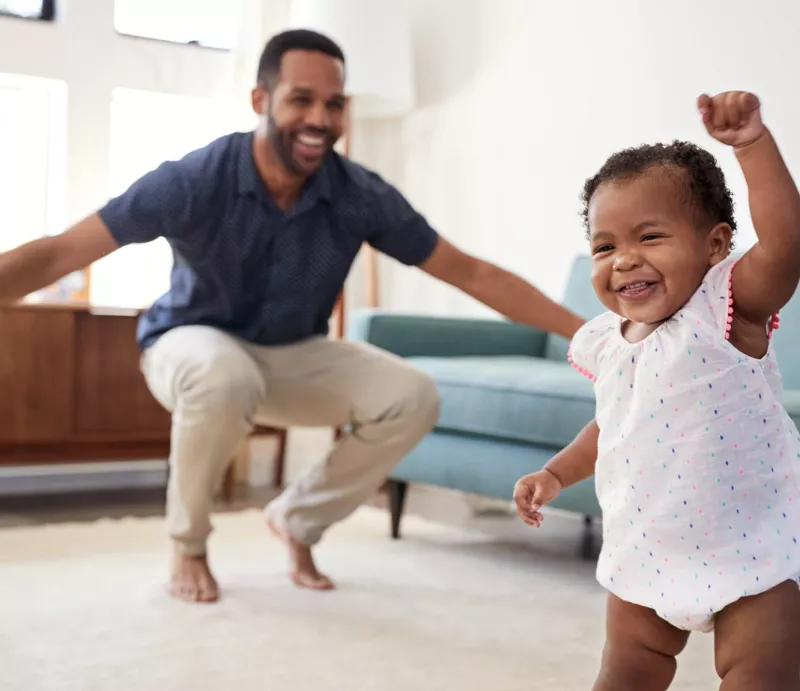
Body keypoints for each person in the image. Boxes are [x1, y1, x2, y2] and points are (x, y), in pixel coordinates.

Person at [0, 29, 582, 603]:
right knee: (223, 374)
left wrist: (589, 335)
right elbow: (58, 252)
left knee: (413, 394)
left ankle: (297, 520)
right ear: (261, 100)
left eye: (334, 104)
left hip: (292, 352)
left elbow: (470, 272)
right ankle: (189, 543)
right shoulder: (195, 178)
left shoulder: (359, 194)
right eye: (301, 99)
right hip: (188, 342)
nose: (320, 118)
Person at [513, 91, 800, 691]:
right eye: (604, 245)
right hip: (650, 542)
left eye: (650, 236)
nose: (624, 260)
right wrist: (556, 473)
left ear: (715, 245)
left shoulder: (727, 313)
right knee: (624, 678)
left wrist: (753, 146)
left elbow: (789, 243)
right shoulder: (611, 342)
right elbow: (616, 424)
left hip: (751, 547)